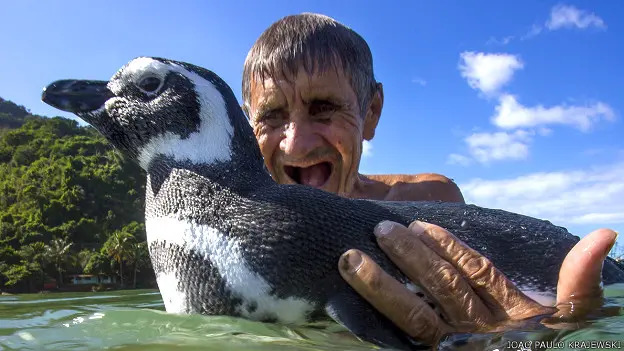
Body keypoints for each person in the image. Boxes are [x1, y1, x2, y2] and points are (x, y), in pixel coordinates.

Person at [240, 13, 618, 346]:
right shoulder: (234, 232)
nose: (296, 142)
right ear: (245, 125)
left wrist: (539, 336)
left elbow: (497, 309)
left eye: (323, 109)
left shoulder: (431, 199)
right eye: (272, 116)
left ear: (371, 112)